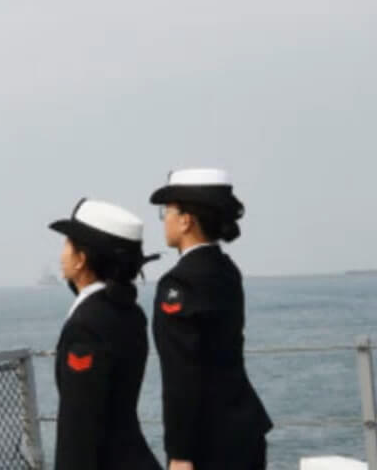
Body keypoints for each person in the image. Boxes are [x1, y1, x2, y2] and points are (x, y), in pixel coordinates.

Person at [148, 169, 272, 470]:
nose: (164, 219)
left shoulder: (179, 284)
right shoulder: (227, 270)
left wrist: (179, 453)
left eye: (168, 211)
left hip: (207, 443)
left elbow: (182, 373)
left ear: (186, 220)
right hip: (244, 430)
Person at [47, 197, 164, 470]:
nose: (62, 253)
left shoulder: (85, 327)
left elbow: (78, 428)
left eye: (67, 244)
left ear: (81, 260)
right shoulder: (130, 313)